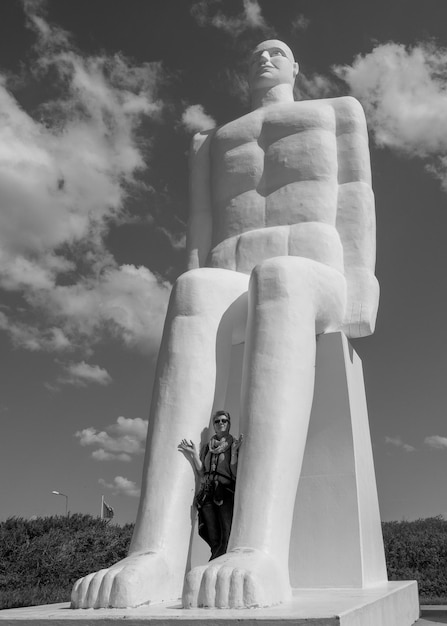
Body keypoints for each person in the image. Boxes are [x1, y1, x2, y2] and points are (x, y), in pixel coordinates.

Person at [71, 39, 378, 610]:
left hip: (315, 269)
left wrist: (362, 284)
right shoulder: (210, 142)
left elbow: (355, 193)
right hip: (230, 275)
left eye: (279, 51)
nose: (266, 58)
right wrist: (191, 300)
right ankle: (156, 553)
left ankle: (258, 548)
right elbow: (202, 225)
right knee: (191, 288)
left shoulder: (337, 112)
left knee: (280, 278)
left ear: (295, 67)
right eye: (258, 53)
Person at [178, 410, 243, 560]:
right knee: (210, 531)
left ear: (229, 424)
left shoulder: (232, 444)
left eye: (224, 421)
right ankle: (215, 558)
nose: (221, 423)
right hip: (208, 494)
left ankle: (220, 561)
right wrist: (194, 453)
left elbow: (234, 472)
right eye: (217, 421)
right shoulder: (208, 447)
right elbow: (202, 471)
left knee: (226, 531)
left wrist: (233, 453)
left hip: (225, 492)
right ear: (214, 425)